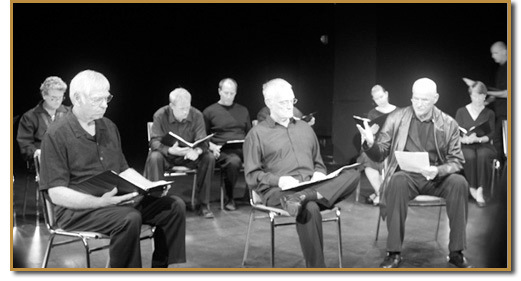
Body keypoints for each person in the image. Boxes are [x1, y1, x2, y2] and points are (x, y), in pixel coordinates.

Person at [39, 70, 186, 268]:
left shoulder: (108, 126)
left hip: (115, 201)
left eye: (107, 98)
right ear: (77, 98)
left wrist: (150, 186)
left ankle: (161, 269)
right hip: (77, 210)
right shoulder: (56, 134)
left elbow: (123, 169)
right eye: (97, 99)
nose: (105, 104)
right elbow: (56, 194)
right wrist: (99, 202)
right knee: (129, 218)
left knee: (174, 206)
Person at [244, 78, 360, 268]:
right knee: (311, 208)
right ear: (269, 102)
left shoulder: (305, 128)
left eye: (292, 101)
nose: (290, 106)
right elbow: (251, 176)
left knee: (353, 173)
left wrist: (319, 174)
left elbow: (318, 163)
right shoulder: (256, 134)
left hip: (311, 186)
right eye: (284, 102)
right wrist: (279, 180)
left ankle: (304, 196)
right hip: (280, 192)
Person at [357, 78, 471, 268]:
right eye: (415, 99)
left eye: (424, 100)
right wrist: (369, 144)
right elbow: (380, 153)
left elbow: (457, 160)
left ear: (435, 98)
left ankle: (456, 252)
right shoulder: (396, 118)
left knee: (459, 183)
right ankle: (393, 252)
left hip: (436, 176)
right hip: (407, 176)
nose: (418, 104)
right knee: (396, 181)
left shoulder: (448, 123)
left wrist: (438, 170)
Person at [144, 88, 216, 218]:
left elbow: (203, 142)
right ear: (172, 106)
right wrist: (171, 150)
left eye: (187, 108)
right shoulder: (160, 115)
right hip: (169, 156)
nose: (186, 112)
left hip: (189, 156)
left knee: (209, 157)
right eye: (182, 109)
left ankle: (203, 204)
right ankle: (156, 203)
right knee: (154, 157)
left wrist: (197, 151)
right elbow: (154, 142)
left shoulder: (196, 115)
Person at [203, 78, 251, 211]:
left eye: (232, 93)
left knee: (263, 157)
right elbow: (203, 136)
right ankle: (230, 198)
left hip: (242, 147)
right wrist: (211, 146)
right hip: (222, 150)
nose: (229, 96)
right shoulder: (209, 111)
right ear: (219, 91)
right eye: (226, 93)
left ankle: (251, 195)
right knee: (233, 162)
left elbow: (249, 133)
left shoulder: (243, 110)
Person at [455, 80, 496, 207]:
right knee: (469, 156)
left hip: (482, 144)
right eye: (474, 96)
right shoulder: (461, 111)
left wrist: (478, 139)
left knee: (483, 155)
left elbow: (491, 135)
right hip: (466, 144)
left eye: (480, 96)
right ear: (470, 96)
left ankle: (481, 190)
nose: (477, 99)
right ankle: (471, 187)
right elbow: (456, 133)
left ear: (485, 96)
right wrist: (464, 139)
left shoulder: (489, 113)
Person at [356, 85, 397, 206]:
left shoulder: (399, 111)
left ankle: (379, 194)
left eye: (381, 96)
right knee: (366, 155)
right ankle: (380, 193)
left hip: (392, 146)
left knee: (388, 156)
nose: (380, 100)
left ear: (387, 94)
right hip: (377, 145)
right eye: (376, 99)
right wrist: (371, 132)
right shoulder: (372, 113)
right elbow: (370, 136)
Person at [17, 76, 70, 162]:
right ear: (44, 95)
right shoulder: (29, 117)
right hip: (43, 163)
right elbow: (25, 144)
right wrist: (35, 152)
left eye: (60, 98)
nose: (57, 101)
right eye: (53, 98)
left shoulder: (69, 113)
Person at [486, 41, 508, 160]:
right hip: (501, 114)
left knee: (507, 147)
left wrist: (484, 91)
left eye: (495, 53)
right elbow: (498, 93)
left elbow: (508, 93)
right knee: (497, 143)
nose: (493, 56)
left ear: (505, 51)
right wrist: (485, 102)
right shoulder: (500, 70)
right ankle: (501, 173)